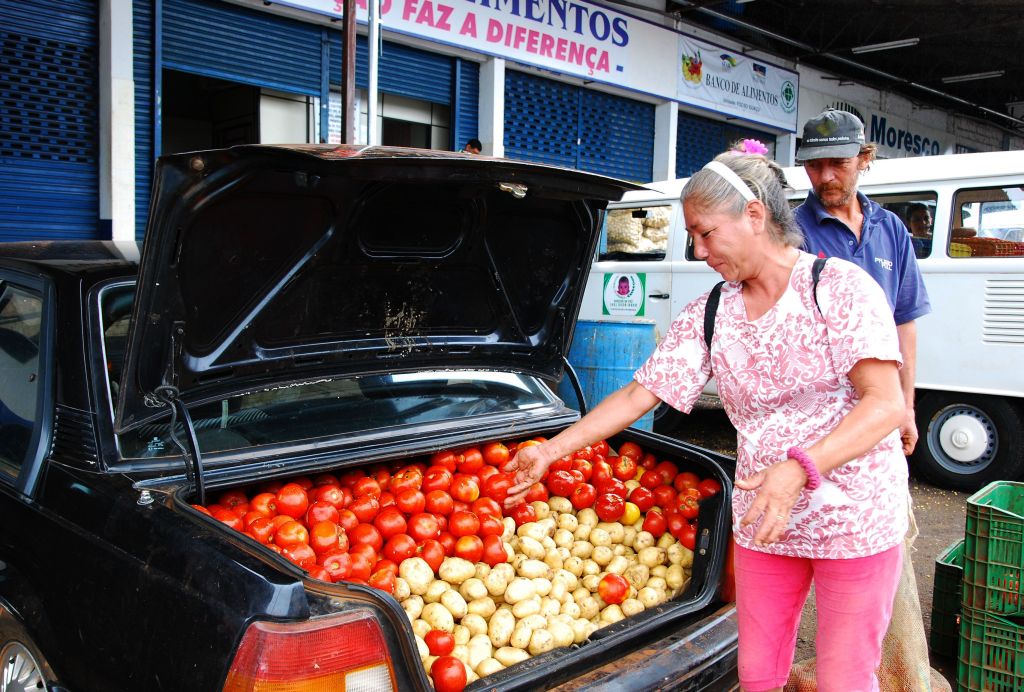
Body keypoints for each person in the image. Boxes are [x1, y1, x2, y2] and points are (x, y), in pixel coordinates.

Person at [504, 149, 909, 691]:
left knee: (845, 678)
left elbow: (885, 404)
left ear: (755, 216)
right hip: (766, 517)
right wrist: (552, 449)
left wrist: (799, 468)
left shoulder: (839, 289)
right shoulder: (713, 311)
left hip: (854, 516)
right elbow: (635, 395)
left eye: (705, 233)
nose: (698, 251)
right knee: (759, 674)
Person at [793, 108, 931, 455]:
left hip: (881, 409)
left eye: (838, 163)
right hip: (818, 419)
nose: (825, 177)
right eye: (814, 165)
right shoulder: (792, 233)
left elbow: (903, 324)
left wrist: (905, 407)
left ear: (864, 158)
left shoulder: (891, 229)